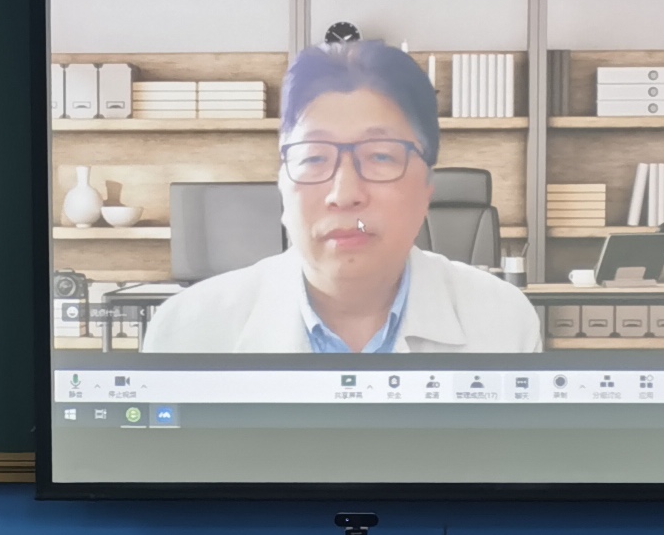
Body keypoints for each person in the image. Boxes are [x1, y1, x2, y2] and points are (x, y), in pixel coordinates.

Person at [141, 40, 540, 354]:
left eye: (380, 156)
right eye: (314, 157)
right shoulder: (187, 330)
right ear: (282, 187)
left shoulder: (503, 322)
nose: (344, 195)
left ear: (427, 190)